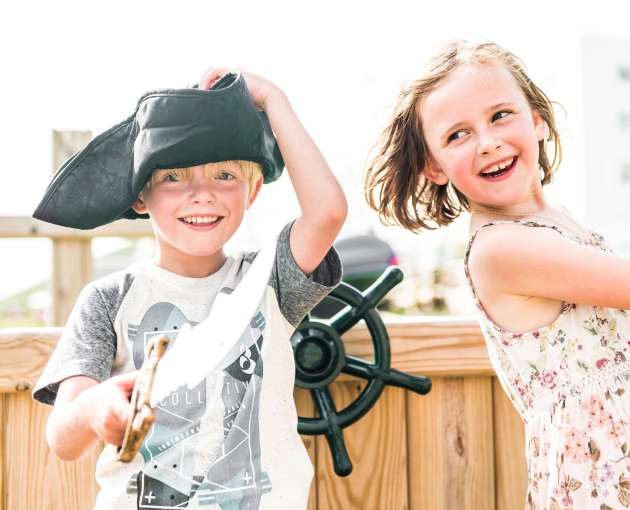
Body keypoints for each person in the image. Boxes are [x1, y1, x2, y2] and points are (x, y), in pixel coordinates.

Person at [32, 68, 347, 510]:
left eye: (224, 175)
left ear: (252, 190)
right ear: (140, 197)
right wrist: (92, 407)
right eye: (174, 177)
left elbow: (327, 212)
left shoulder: (270, 281)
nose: (201, 193)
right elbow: (63, 440)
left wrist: (273, 99)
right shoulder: (108, 299)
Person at [364, 39, 630, 509]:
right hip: (602, 478)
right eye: (457, 135)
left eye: (500, 115)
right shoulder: (500, 248)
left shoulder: (559, 224)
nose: (488, 143)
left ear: (537, 120)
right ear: (433, 165)